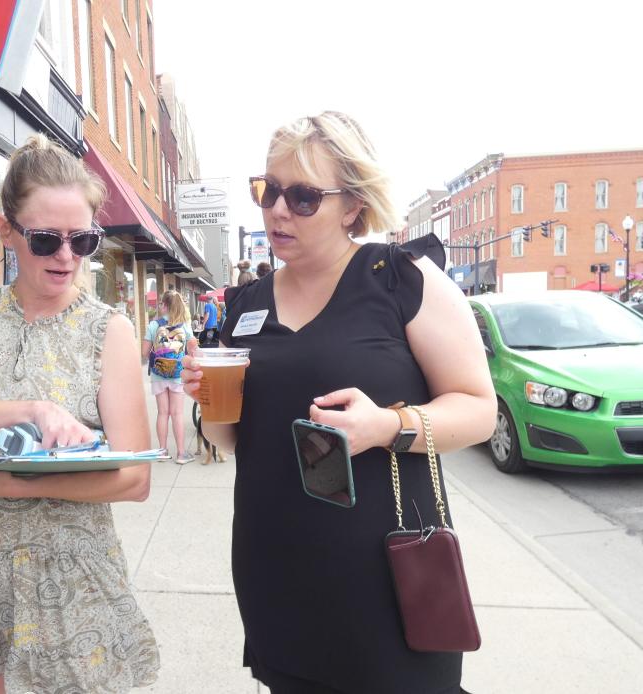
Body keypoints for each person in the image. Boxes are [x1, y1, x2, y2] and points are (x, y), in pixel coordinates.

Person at [181, 111, 496, 694]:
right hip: (277, 561)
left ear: (352, 204)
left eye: (302, 197)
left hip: (389, 570)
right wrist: (209, 402)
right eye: (267, 190)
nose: (277, 209)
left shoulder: (399, 279)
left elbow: (479, 409)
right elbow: (230, 441)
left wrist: (387, 426)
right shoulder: (244, 303)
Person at [0, 134, 160, 693]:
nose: (66, 256)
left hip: (66, 566)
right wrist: (36, 409)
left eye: (82, 240)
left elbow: (135, 479)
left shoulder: (107, 329)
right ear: (5, 231)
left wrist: (9, 486)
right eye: (45, 239)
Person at [141, 290, 198, 464]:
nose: (159, 306)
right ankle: (181, 454)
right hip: (177, 374)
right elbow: (193, 351)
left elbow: (143, 353)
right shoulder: (185, 327)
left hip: (159, 375)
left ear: (164, 306)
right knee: (178, 413)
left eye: (160, 303)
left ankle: (162, 452)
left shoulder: (153, 325)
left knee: (162, 413)